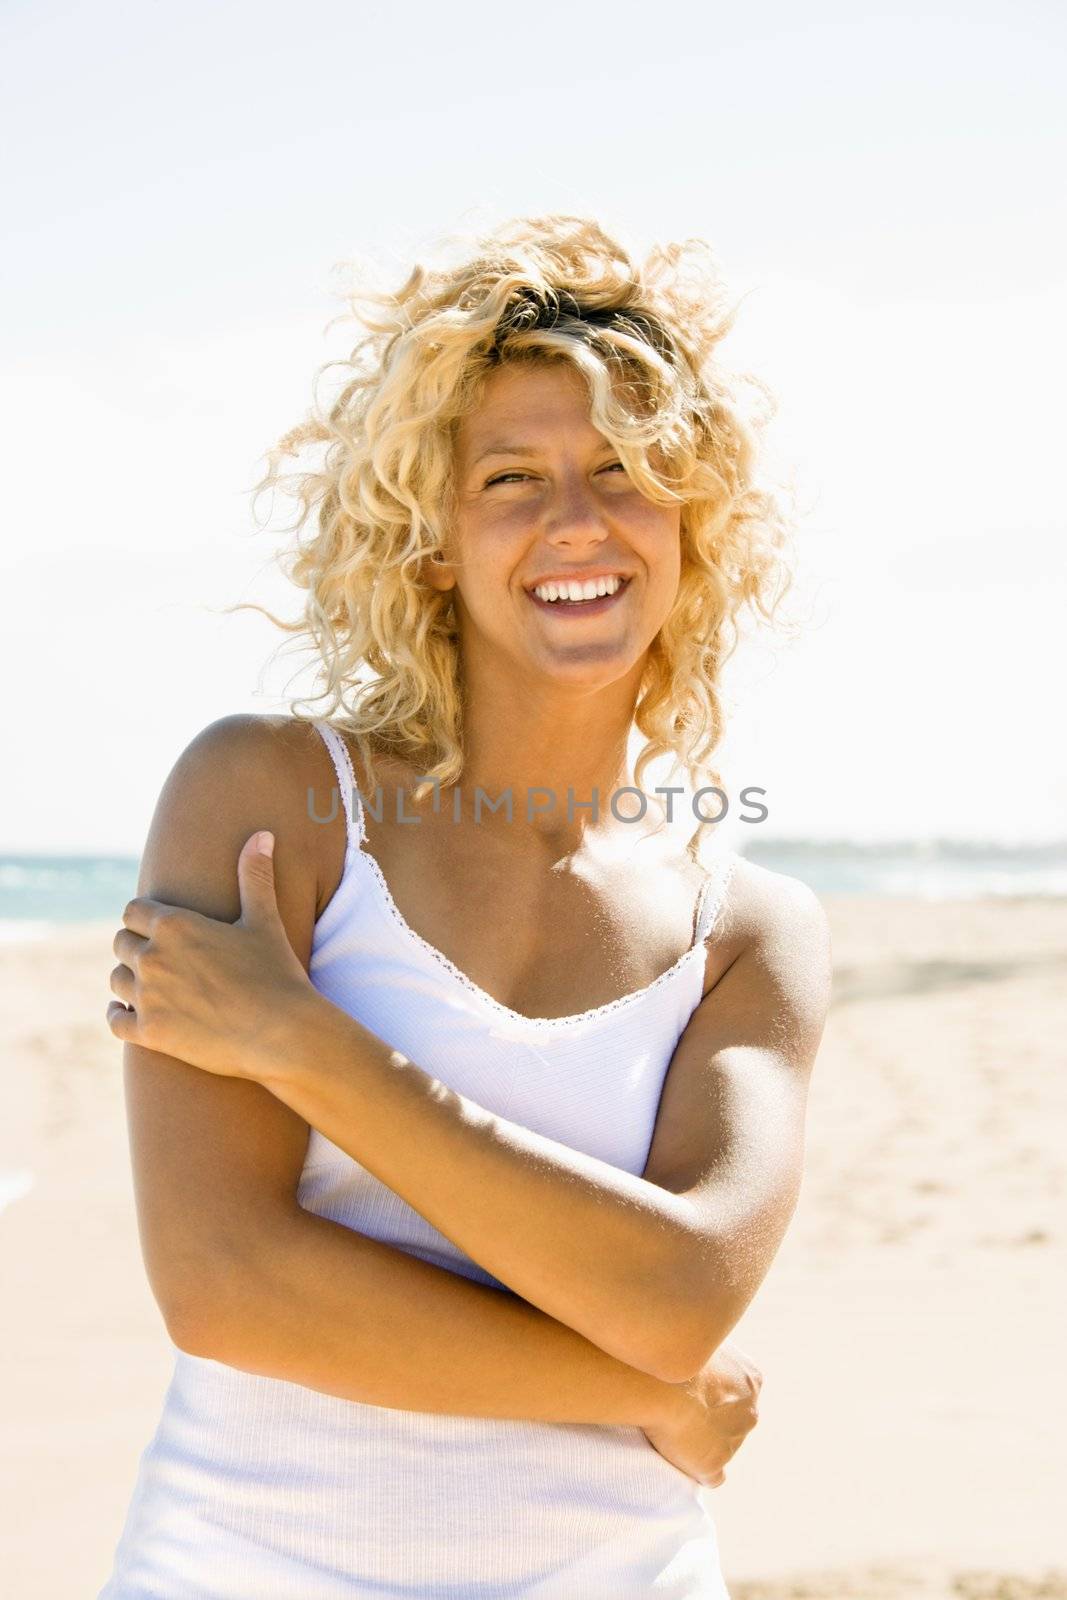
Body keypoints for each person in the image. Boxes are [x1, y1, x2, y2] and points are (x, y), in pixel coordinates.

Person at [99, 214, 832, 1599]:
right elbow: (225, 1283)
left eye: (624, 472)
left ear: (690, 521)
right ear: (433, 541)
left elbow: (683, 1298)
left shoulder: (746, 933)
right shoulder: (268, 801)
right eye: (513, 479)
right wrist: (644, 1395)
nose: (577, 523)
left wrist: (308, 1048)